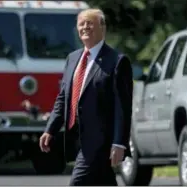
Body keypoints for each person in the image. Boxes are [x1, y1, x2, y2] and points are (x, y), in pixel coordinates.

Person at [39, 8, 133, 186]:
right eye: (81, 24)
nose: (85, 27)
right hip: (77, 137)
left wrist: (119, 143)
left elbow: (123, 107)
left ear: (102, 28)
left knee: (78, 182)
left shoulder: (117, 61)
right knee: (104, 180)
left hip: (100, 139)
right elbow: (63, 98)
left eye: (90, 23)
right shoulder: (72, 59)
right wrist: (50, 129)